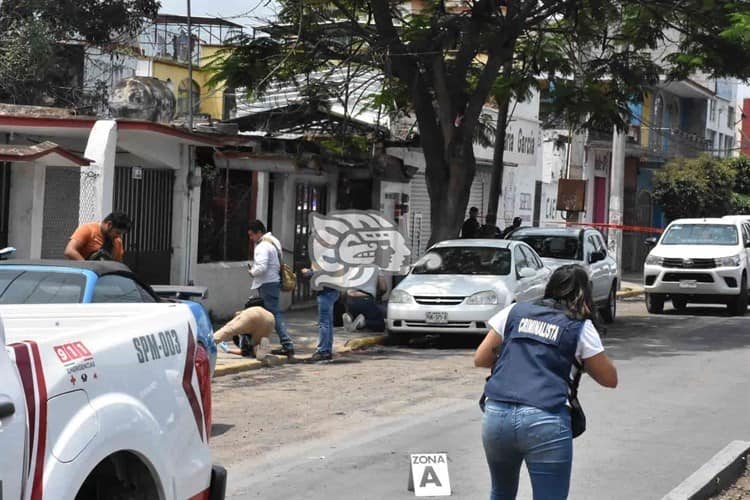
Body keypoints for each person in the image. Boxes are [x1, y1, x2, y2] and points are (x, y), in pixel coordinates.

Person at [474, 264, 618, 500]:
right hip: (545, 417)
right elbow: (609, 379)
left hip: (497, 413)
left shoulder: (515, 311)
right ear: (586, 294)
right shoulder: (579, 326)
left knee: (501, 492)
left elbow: (480, 358)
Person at [247, 220, 295, 358]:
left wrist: (252, 272)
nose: (251, 239)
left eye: (252, 235)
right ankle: (262, 344)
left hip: (267, 283)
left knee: (273, 316)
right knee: (269, 315)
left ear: (259, 233)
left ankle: (287, 345)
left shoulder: (262, 246)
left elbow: (261, 267)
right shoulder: (274, 241)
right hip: (273, 282)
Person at [300, 265, 340, 362]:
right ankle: (327, 350)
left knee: (324, 323)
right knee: (328, 323)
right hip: (332, 291)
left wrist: (309, 272)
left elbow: (323, 274)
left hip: (326, 292)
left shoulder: (325, 257)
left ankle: (323, 351)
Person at [64, 212, 131, 262]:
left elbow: (117, 264)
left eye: (121, 234)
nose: (119, 236)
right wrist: (89, 268)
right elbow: (70, 251)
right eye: (117, 233)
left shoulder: (117, 241)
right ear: (109, 225)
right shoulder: (88, 229)